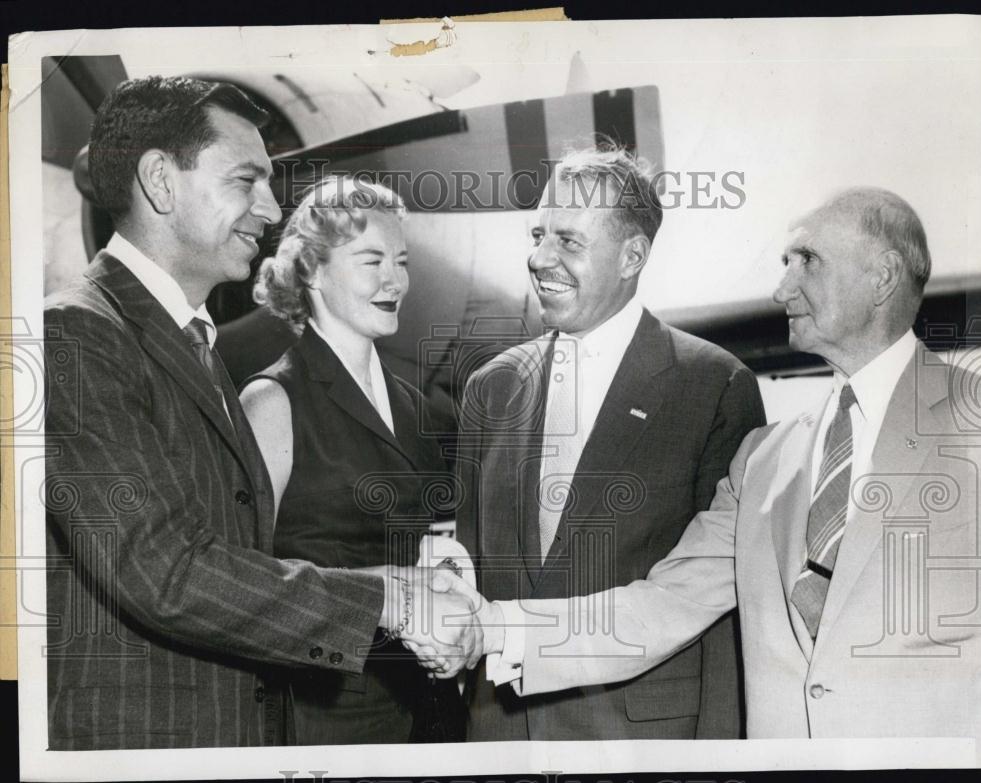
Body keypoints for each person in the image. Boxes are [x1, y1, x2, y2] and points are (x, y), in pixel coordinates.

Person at [439, 187, 981, 764]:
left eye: (807, 260)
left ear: (880, 277)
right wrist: (493, 627)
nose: (782, 288)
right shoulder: (764, 459)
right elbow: (660, 607)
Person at [44, 75, 478, 750]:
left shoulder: (195, 345)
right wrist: (391, 598)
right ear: (159, 180)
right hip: (148, 744)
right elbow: (160, 568)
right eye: (246, 180)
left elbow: (238, 560)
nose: (272, 212)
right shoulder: (75, 333)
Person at [454, 146, 766, 740]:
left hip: (640, 741)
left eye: (568, 241)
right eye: (538, 233)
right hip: (501, 735)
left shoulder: (716, 385)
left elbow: (718, 599)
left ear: (632, 255)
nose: (538, 257)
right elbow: (469, 563)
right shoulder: (490, 387)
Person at [239, 176, 461, 744]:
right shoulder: (272, 401)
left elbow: (423, 538)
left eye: (402, 260)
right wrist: (398, 597)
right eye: (372, 260)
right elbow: (241, 580)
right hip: (323, 712)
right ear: (311, 270)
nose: (396, 280)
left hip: (423, 705)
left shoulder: (416, 404)